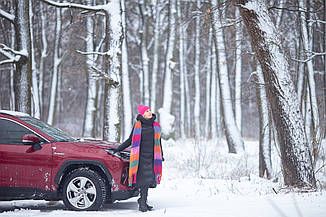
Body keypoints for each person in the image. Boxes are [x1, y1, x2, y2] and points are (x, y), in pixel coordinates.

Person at [114, 105, 164, 212]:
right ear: (142, 114)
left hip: (152, 158)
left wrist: (161, 155)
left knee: (149, 180)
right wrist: (118, 149)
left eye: (150, 110)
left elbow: (159, 143)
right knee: (143, 181)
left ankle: (143, 201)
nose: (149, 112)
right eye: (147, 111)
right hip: (140, 158)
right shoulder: (138, 126)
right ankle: (142, 202)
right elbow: (130, 140)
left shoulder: (156, 126)